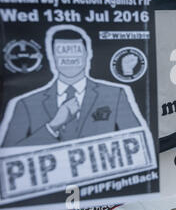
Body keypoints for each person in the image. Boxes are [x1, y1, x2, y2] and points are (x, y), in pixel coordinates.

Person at [0, 25, 147, 147]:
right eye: (63, 52)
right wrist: (53, 126)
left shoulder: (115, 95)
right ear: (53, 57)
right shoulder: (26, 104)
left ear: (87, 54)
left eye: (76, 51)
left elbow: (137, 143)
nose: (69, 58)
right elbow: (10, 158)